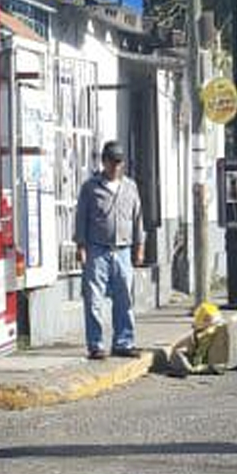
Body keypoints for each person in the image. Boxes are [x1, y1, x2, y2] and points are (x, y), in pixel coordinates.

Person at [75, 141, 145, 359]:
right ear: (103, 162)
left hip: (123, 249)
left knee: (124, 299)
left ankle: (124, 342)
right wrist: (81, 246)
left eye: (119, 162)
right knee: (93, 299)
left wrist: (139, 248)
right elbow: (81, 218)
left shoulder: (130, 187)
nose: (115, 166)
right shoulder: (90, 187)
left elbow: (138, 219)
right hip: (97, 249)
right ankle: (96, 345)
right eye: (111, 161)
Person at [166, 301, 237, 377]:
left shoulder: (198, 335)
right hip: (228, 360)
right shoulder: (205, 334)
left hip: (225, 361)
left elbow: (178, 351)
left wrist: (191, 368)